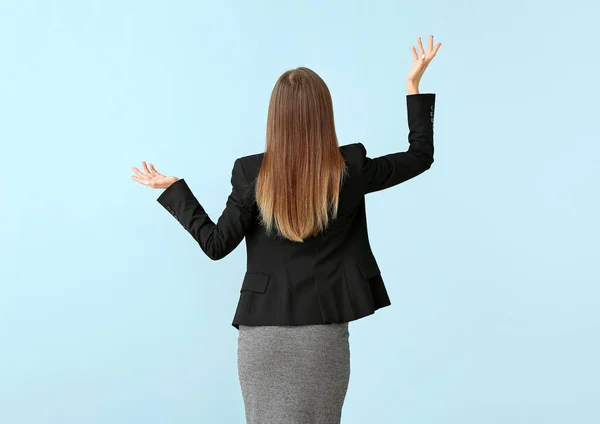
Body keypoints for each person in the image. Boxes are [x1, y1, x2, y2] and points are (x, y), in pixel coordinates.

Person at [131, 35, 442, 424]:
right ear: (323, 114)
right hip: (323, 335)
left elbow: (215, 244)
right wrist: (412, 87)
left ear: (274, 117)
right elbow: (419, 156)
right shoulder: (350, 168)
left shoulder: (250, 172)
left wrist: (176, 191)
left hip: (262, 334)